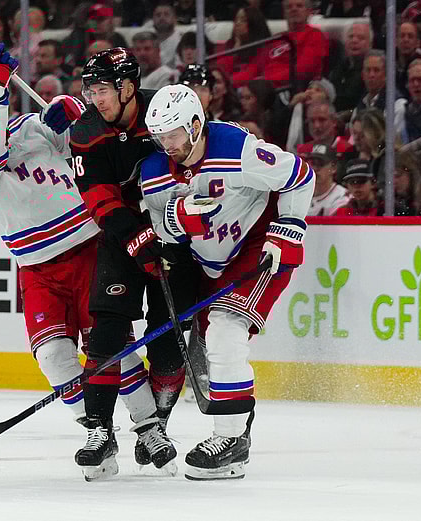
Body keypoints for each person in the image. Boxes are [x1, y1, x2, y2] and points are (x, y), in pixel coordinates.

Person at [0, 45, 163, 474]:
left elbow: (83, 144)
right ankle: (97, 433)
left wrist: (71, 112)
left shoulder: (27, 127)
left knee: (112, 344)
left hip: (88, 247)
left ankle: (149, 428)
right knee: (53, 358)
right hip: (38, 268)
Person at [43, 48, 202, 480]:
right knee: (108, 327)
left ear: (128, 87)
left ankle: (156, 427)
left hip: (174, 230)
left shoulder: (164, 111)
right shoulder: (86, 131)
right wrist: (135, 239)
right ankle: (99, 429)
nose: (95, 98)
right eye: (89, 89)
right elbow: (99, 199)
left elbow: (196, 160)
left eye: (102, 89)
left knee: (168, 334)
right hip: (121, 235)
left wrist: (170, 227)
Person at [140, 84, 313, 480]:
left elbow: (300, 175)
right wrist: (176, 219)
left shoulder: (234, 147)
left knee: (225, 330)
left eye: (174, 135)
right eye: (160, 137)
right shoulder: (153, 173)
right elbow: (157, 227)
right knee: (206, 348)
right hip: (208, 262)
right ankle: (236, 425)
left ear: (196, 125)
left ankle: (231, 440)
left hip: (257, 246)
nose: (167, 145)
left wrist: (287, 228)